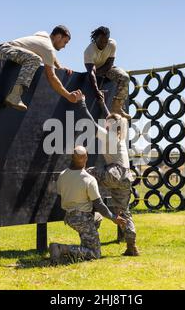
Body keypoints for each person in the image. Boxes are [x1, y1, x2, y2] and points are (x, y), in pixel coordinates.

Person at [77, 97, 140, 256]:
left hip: (114, 173)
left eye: (107, 122)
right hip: (126, 178)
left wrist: (82, 103)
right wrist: (102, 103)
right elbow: (112, 119)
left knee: (88, 172)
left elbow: (91, 124)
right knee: (123, 211)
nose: (105, 123)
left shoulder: (108, 135)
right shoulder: (120, 137)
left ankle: (92, 211)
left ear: (110, 126)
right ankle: (132, 246)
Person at [50, 146, 127, 264]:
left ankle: (85, 244)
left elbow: (61, 195)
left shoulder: (62, 175)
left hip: (69, 216)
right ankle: (60, 248)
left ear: (71, 157)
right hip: (82, 218)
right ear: (86, 158)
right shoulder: (89, 179)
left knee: (97, 218)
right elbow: (99, 204)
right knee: (95, 254)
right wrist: (113, 217)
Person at [0, 25, 82, 111]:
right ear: (58, 37)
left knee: (34, 58)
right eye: (65, 42)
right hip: (6, 51)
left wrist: (59, 67)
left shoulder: (43, 36)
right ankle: (15, 95)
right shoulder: (48, 48)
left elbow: (49, 54)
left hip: (5, 50)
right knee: (35, 59)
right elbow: (51, 77)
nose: (64, 46)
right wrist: (68, 96)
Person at [84, 26, 131, 119]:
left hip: (107, 69)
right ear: (95, 38)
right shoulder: (89, 51)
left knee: (125, 77)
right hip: (94, 72)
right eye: (101, 41)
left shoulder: (112, 44)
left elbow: (109, 64)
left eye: (105, 41)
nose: (103, 44)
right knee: (92, 78)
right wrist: (96, 90)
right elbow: (91, 72)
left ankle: (117, 107)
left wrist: (102, 73)